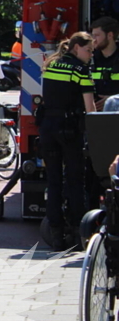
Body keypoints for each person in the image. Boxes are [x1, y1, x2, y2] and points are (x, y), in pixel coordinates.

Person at [40, 32, 96, 250]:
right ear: (76, 48)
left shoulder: (51, 65)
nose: (90, 55)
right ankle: (77, 232)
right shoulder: (81, 70)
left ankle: (56, 234)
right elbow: (90, 108)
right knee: (75, 181)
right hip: (70, 130)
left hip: (47, 128)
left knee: (53, 181)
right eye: (88, 50)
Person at [90, 17, 119, 111]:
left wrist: (112, 101)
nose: (93, 40)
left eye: (97, 35)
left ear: (110, 35)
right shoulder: (90, 58)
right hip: (95, 112)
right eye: (92, 35)